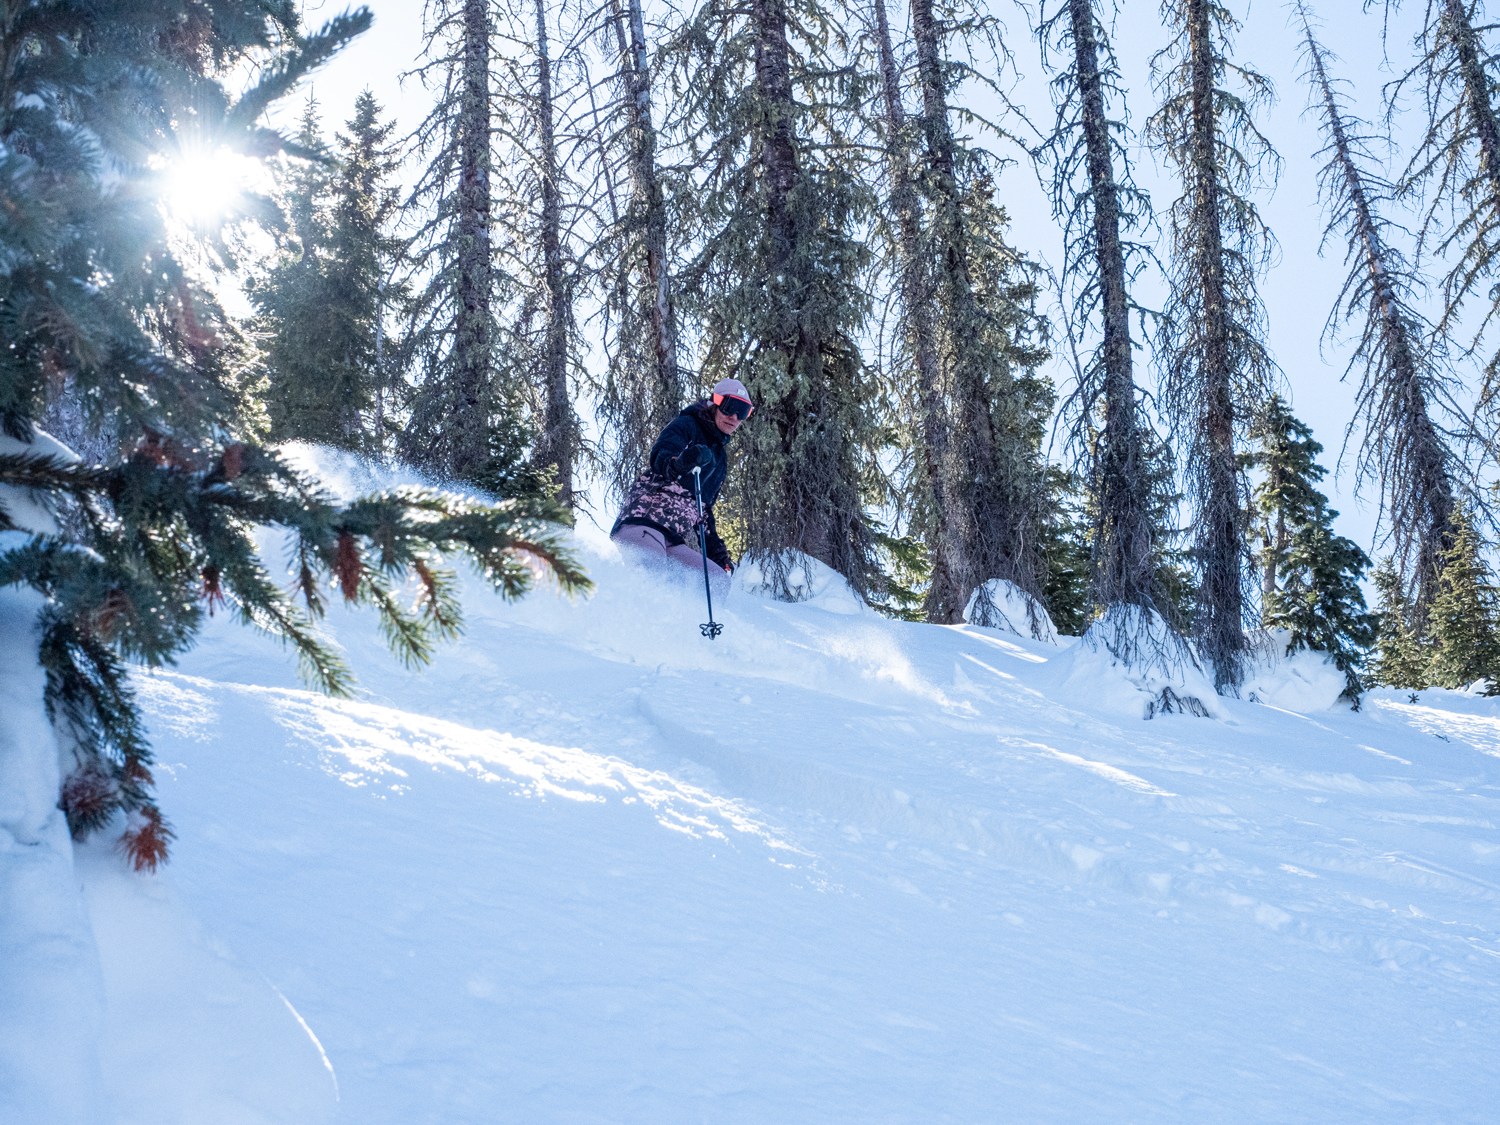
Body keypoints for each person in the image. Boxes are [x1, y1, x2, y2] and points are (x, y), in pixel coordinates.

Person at [610, 378, 754, 585]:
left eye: (743, 412)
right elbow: (662, 456)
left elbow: (703, 509)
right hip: (644, 523)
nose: (734, 417)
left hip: (671, 538)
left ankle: (691, 618)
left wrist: (716, 552)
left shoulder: (720, 459)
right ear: (715, 403)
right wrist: (681, 463)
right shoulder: (688, 425)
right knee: (653, 579)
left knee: (716, 581)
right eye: (730, 407)